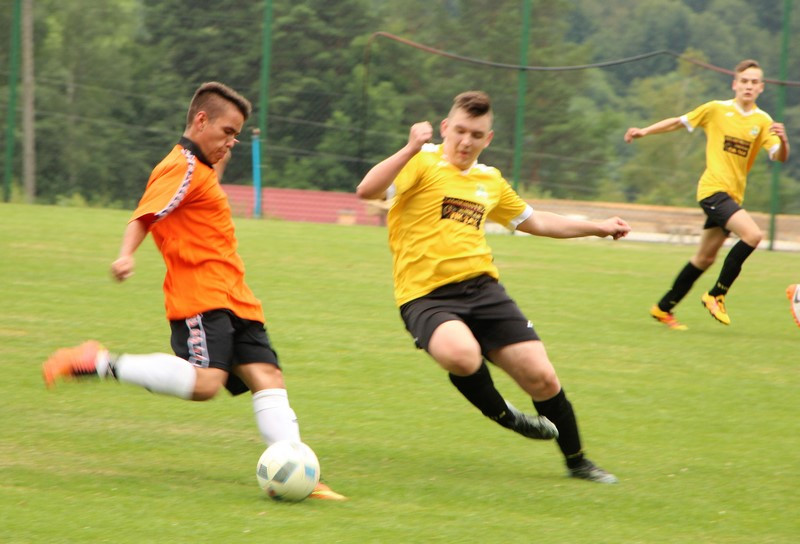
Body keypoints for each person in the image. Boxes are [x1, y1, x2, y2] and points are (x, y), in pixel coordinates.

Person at [42, 81, 345, 501]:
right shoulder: (180, 166)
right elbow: (145, 215)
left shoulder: (201, 168)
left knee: (268, 377)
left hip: (236, 295)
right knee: (205, 384)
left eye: (236, 135)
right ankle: (98, 362)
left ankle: (299, 474)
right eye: (227, 132)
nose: (232, 142)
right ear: (201, 120)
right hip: (201, 296)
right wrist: (125, 255)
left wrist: (219, 156)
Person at [356, 90, 630, 483]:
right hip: (426, 296)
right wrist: (410, 147)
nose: (466, 141)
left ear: (489, 139)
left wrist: (597, 227)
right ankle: (506, 415)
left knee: (541, 376)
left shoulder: (490, 180)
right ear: (446, 128)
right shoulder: (421, 162)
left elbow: (538, 221)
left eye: (476, 135)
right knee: (460, 354)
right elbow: (367, 191)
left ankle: (578, 462)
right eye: (460, 131)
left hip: (484, 291)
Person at [624, 59, 790, 330]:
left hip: (732, 198)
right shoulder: (716, 109)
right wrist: (645, 131)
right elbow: (678, 122)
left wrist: (783, 140)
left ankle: (663, 308)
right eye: (744, 81)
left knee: (704, 258)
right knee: (753, 235)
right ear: (735, 84)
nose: (748, 86)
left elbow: (779, 157)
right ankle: (717, 295)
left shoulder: (763, 121)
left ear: (761, 87)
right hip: (713, 191)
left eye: (754, 82)